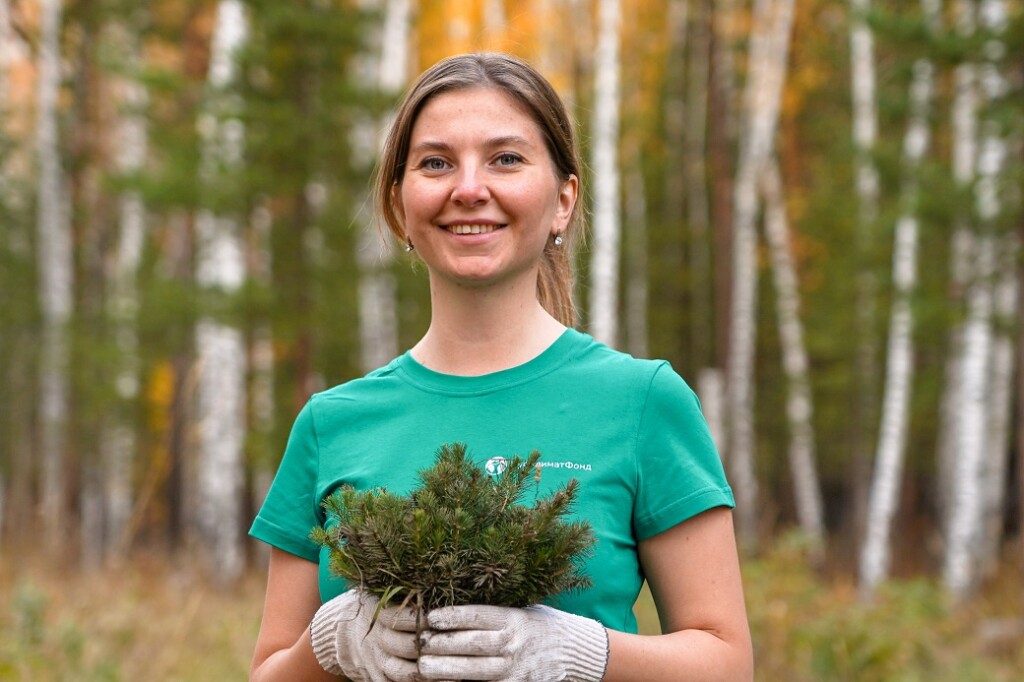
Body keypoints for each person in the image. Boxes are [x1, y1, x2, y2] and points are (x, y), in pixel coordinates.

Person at [249, 52, 753, 682]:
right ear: (400, 203)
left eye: (506, 159)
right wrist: (325, 646)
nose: (468, 189)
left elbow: (726, 664)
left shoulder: (642, 401)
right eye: (436, 163)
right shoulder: (332, 422)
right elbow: (268, 673)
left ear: (563, 201)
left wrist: (582, 653)